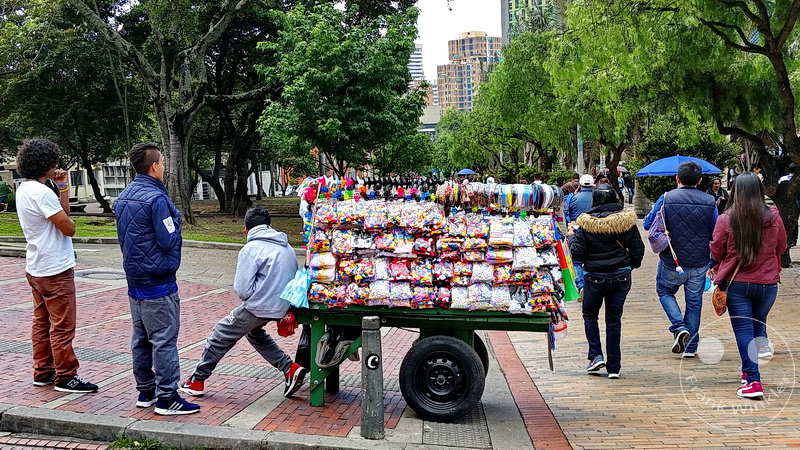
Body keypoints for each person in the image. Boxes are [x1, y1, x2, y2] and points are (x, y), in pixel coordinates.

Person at [180, 206, 308, 398]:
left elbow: (242, 290)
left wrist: (256, 297)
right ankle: (289, 368)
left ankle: (197, 380)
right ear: (269, 226)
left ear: (246, 230)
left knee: (220, 333)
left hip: (261, 305)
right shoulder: (286, 246)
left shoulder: (250, 249)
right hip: (285, 304)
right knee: (254, 333)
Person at [115, 142, 200, 415]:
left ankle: (146, 391)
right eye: (162, 162)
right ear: (154, 166)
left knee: (140, 338)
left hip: (135, 280)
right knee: (164, 339)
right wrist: (177, 224)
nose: (164, 167)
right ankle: (167, 397)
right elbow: (167, 239)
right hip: (159, 282)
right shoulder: (157, 199)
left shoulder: (125, 195)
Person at [15, 139, 98, 393]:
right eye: (54, 163)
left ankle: (43, 371)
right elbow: (68, 227)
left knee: (41, 323)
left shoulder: (25, 189)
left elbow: (60, 216)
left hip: (36, 266)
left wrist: (62, 189)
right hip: (55, 269)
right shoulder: (41, 193)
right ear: (45, 164)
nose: (57, 167)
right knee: (62, 325)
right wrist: (56, 192)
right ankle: (66, 375)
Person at [709, 173, 786, 398]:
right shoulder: (773, 216)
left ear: (735, 191)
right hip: (768, 284)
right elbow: (781, 246)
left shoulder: (727, 219)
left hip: (738, 284)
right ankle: (747, 373)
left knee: (743, 331)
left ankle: (753, 380)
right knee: (756, 327)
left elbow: (717, 250)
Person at [568, 184, 645, 379]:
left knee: (590, 315)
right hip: (621, 276)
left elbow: (577, 253)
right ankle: (614, 367)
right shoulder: (626, 222)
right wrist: (629, 265)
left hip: (594, 276)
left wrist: (572, 238)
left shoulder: (586, 224)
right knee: (613, 320)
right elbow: (638, 249)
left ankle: (595, 355)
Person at [644, 161, 717, 357]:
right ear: (700, 180)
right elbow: (715, 232)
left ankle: (678, 326)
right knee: (694, 302)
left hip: (672, 259)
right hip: (700, 260)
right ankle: (691, 347)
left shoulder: (666, 198)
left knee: (665, 291)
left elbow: (648, 224)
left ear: (677, 179)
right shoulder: (710, 201)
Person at [565, 174, 595, 298]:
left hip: (576, 230)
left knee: (576, 261)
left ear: (580, 185)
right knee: (592, 257)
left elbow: (567, 214)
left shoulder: (572, 198)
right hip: (593, 230)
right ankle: (592, 284)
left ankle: (581, 285)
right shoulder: (596, 197)